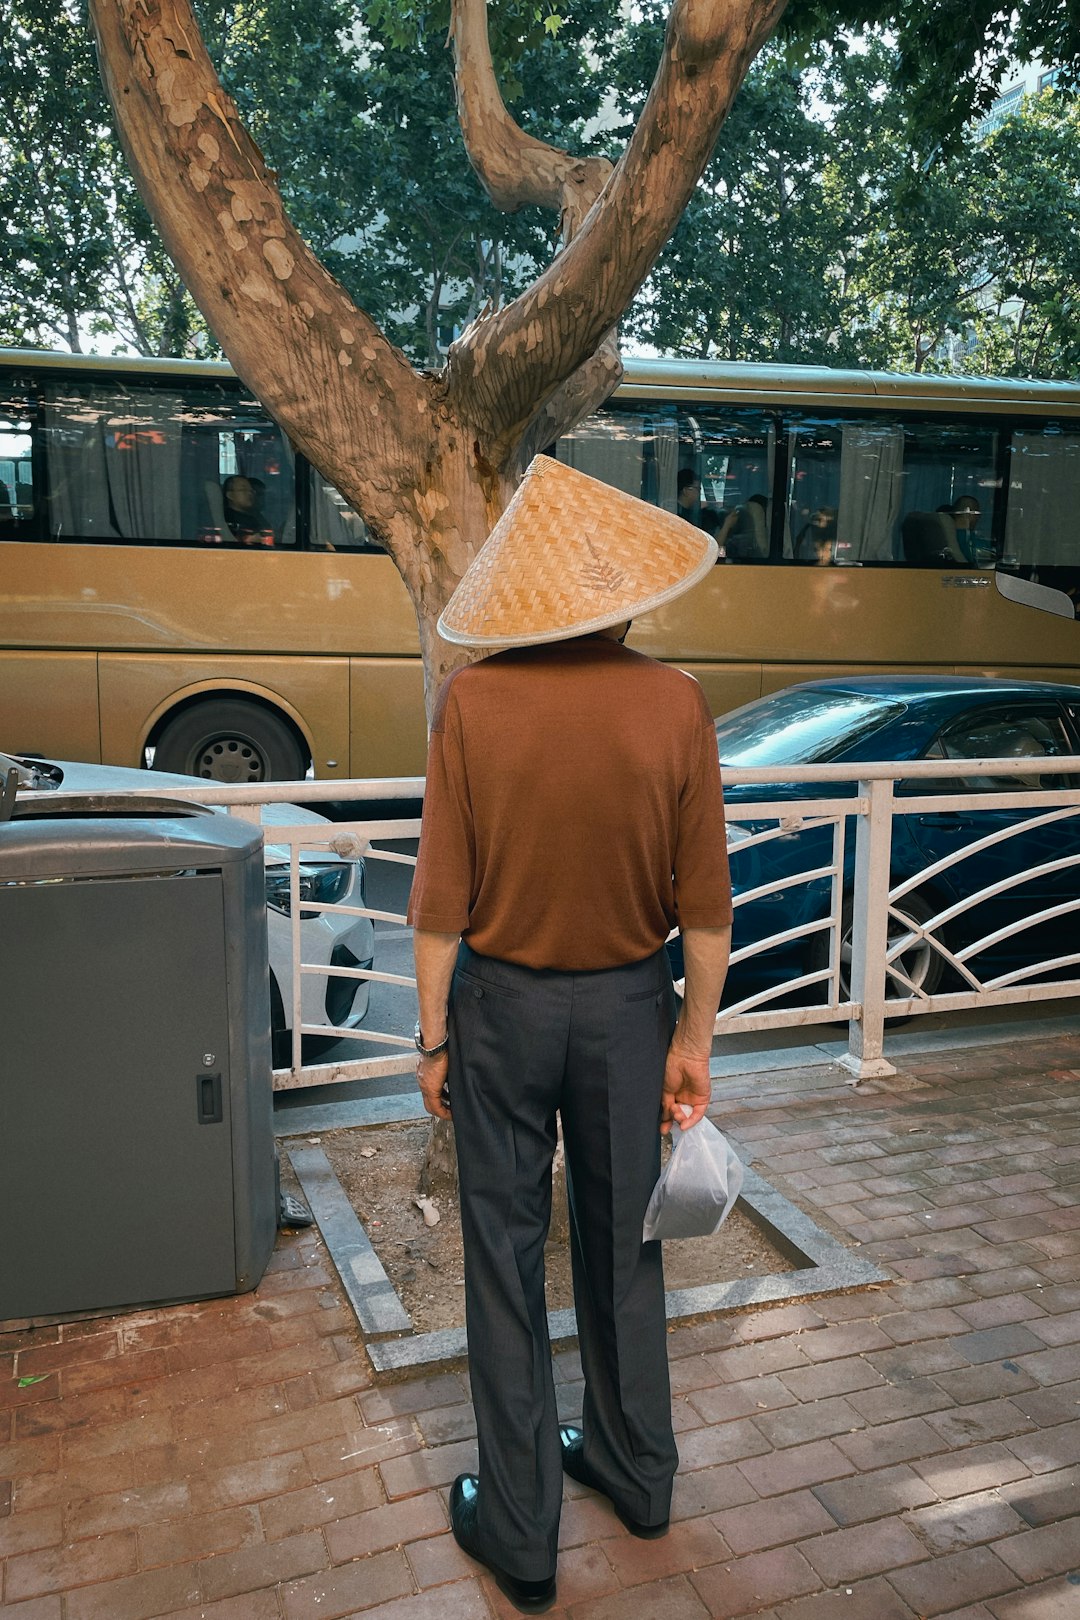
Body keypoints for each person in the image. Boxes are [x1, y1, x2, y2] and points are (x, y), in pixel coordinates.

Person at [407, 456, 733, 1614]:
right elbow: (705, 909)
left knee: (502, 1260)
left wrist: (432, 1042)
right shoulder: (676, 701)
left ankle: (523, 1533)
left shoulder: (477, 703)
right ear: (621, 595)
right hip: (631, 1009)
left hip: (501, 1009)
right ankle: (640, 1474)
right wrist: (692, 1039)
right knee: (621, 1243)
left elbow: (439, 902)